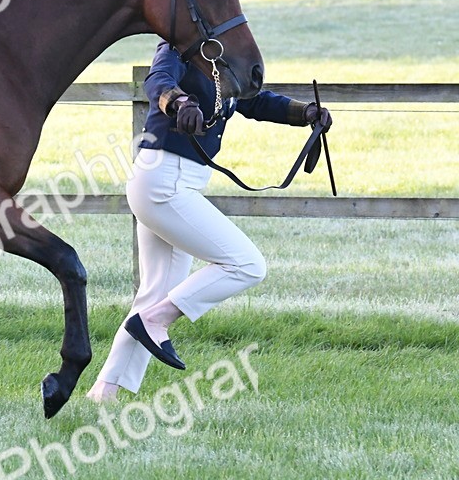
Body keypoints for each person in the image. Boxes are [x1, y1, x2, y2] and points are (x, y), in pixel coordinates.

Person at [87, 40, 332, 402]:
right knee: (247, 264)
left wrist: (306, 113)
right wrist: (181, 102)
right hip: (163, 181)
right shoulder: (177, 49)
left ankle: (103, 392)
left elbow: (255, 101)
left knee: (153, 292)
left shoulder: (227, 61)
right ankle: (158, 320)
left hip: (173, 183)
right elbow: (157, 83)